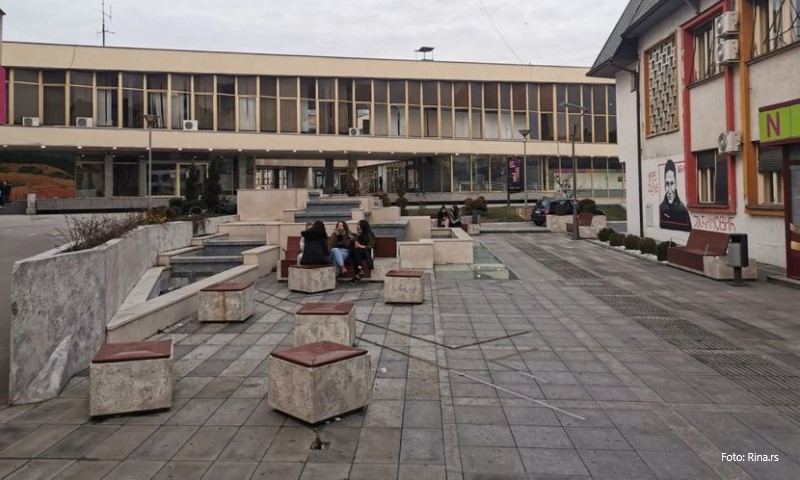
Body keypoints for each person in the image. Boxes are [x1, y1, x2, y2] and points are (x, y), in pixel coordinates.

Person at [659, 159, 691, 232]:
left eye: (672, 183)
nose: (670, 190)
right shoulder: (661, 208)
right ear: (664, 185)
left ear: (676, 184)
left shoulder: (683, 210)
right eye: (667, 184)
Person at [349, 219, 375, 284]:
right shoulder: (358, 234)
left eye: (359, 225)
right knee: (355, 252)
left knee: (355, 253)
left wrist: (361, 246)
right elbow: (356, 244)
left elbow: (371, 244)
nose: (357, 226)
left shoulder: (369, 234)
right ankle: (358, 270)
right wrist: (357, 237)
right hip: (358, 252)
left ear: (363, 226)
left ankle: (357, 273)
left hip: (366, 252)